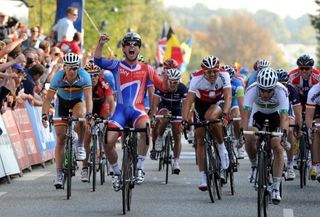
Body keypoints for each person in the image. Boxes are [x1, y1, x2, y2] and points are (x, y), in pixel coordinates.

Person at [94, 32, 168, 191]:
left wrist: (170, 79)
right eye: (128, 44)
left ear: (139, 49)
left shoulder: (147, 68)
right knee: (107, 143)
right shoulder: (116, 65)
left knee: (145, 128)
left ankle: (140, 167)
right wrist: (100, 44)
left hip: (138, 111)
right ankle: (116, 173)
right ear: (123, 49)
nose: (132, 46)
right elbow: (97, 61)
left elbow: (162, 87)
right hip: (119, 113)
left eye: (135, 44)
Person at [41, 52, 93, 188]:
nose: (71, 71)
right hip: (62, 103)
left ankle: (80, 145)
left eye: (74, 68)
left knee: (81, 116)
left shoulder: (84, 76)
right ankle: (59, 174)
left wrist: (89, 114)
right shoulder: (58, 77)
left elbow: (88, 98)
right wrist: (44, 114)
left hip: (78, 102)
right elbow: (48, 99)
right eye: (68, 68)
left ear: (79, 68)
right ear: (64, 67)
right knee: (60, 138)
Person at [182, 55, 231, 191]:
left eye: (215, 71)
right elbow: (188, 101)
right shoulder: (196, 79)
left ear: (218, 70)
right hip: (201, 103)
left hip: (218, 101)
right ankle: (203, 177)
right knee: (200, 139)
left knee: (211, 117)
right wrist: (184, 119)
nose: (212, 74)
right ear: (203, 72)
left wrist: (226, 114)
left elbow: (228, 96)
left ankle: (222, 149)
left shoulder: (224, 75)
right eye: (208, 72)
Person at [242, 67, 289, 204]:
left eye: (269, 91)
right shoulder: (252, 90)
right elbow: (245, 115)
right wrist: (243, 134)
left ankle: (275, 187)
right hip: (258, 114)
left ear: (274, 88)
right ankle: (255, 164)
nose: (265, 93)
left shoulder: (281, 91)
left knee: (278, 147)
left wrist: (284, 135)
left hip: (275, 115)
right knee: (250, 137)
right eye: (262, 90)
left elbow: (284, 117)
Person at [80, 60, 115, 182]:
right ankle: (84, 168)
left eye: (95, 75)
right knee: (87, 135)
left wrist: (112, 118)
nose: (93, 78)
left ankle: (110, 161)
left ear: (99, 75)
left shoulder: (104, 83)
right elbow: (81, 103)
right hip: (88, 108)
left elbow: (110, 101)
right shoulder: (82, 83)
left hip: (101, 106)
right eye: (90, 75)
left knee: (109, 129)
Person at [150, 68, 188, 174]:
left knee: (177, 135)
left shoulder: (182, 88)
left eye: (175, 83)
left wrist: (185, 120)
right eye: (170, 82)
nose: (172, 85)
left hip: (177, 108)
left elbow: (186, 105)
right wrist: (153, 115)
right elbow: (154, 104)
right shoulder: (162, 86)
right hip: (164, 106)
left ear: (178, 81)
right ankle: (160, 138)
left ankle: (176, 161)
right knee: (165, 117)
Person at [289, 54, 320, 179]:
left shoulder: (317, 76)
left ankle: (314, 158)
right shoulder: (293, 76)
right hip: (299, 100)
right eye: (301, 68)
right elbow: (290, 93)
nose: (304, 71)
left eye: (307, 68)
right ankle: (296, 149)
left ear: (311, 69)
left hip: (313, 101)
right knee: (296, 123)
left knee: (315, 124)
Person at [277, 69, 302, 180]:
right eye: (279, 83)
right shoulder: (272, 89)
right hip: (274, 113)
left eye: (284, 83)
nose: (282, 86)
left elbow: (297, 111)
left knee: (290, 131)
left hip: (287, 113)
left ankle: (290, 164)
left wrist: (298, 126)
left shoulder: (291, 89)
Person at [220, 65, 245, 158]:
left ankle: (239, 144)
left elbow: (241, 103)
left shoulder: (238, 84)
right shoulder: (218, 82)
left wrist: (242, 117)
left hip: (234, 101)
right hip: (222, 101)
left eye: (230, 79)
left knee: (236, 118)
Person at [306, 80, 320, 182]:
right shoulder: (314, 91)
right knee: (316, 131)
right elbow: (309, 116)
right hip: (318, 110)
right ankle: (315, 165)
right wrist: (310, 129)